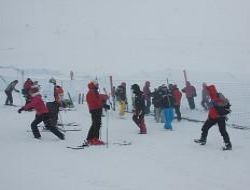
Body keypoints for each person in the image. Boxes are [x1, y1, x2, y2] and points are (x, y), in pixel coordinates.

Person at [194, 85, 232, 150]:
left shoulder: (218, 96)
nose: (207, 93)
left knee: (222, 131)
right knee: (205, 127)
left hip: (220, 117)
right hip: (212, 117)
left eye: (208, 91)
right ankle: (203, 139)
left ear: (211, 91)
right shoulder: (211, 97)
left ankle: (228, 145)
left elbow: (223, 104)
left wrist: (217, 102)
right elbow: (212, 108)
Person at [86, 80, 110, 145]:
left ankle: (90, 138)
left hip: (94, 109)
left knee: (95, 124)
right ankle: (95, 139)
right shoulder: (93, 91)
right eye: (96, 84)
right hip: (96, 109)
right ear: (93, 85)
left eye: (98, 84)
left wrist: (104, 96)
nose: (98, 85)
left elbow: (98, 97)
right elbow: (97, 100)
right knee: (97, 124)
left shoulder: (92, 91)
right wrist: (104, 105)